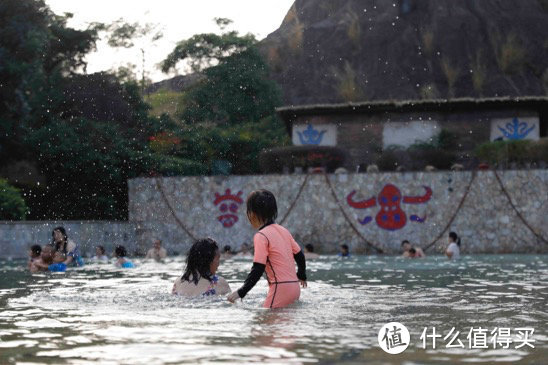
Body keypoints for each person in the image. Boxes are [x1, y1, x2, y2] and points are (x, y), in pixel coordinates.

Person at [227, 189, 307, 309]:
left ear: (252, 213)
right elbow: (300, 256)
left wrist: (241, 292)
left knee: (263, 324)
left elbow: (258, 268)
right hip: (295, 288)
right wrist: (301, 275)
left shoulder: (261, 236)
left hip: (280, 288)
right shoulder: (284, 231)